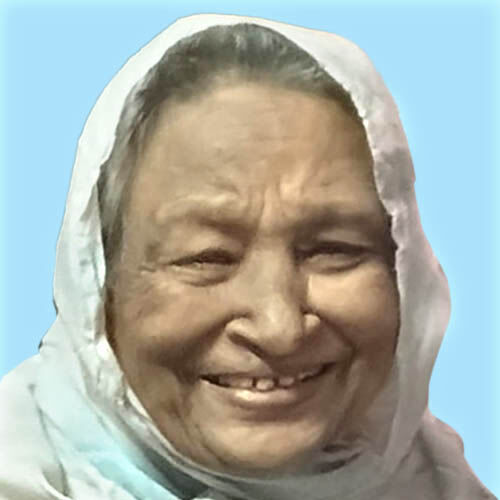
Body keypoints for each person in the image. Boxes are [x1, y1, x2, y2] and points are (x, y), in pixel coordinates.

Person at [0, 14, 495, 500]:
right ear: (99, 289)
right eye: (206, 257)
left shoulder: (434, 482)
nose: (279, 328)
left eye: (334, 250)